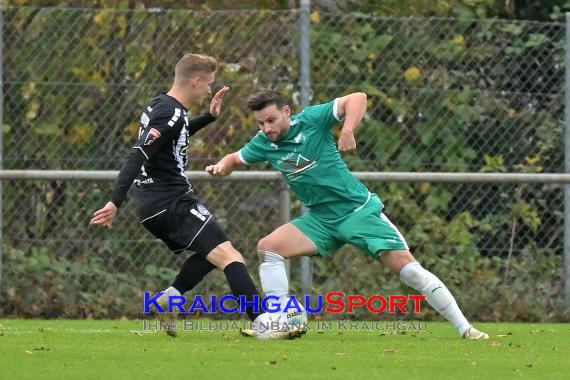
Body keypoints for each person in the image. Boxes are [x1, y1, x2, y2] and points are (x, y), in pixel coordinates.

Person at [206, 89, 489, 340]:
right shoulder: (264, 142)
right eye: (260, 123)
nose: (266, 128)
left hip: (357, 211)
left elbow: (358, 98)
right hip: (320, 219)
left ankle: (466, 329)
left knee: (412, 273)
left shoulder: (313, 120)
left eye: (271, 120)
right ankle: (280, 320)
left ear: (286, 112)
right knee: (269, 248)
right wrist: (222, 165)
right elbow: (235, 158)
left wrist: (347, 130)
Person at [90, 55, 300, 340]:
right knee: (231, 257)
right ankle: (264, 323)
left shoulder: (161, 105)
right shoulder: (171, 113)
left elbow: (175, 135)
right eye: (209, 84)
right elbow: (138, 153)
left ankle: (171, 297)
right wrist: (115, 201)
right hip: (168, 201)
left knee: (211, 253)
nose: (209, 91)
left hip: (156, 201)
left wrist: (209, 118)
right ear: (196, 80)